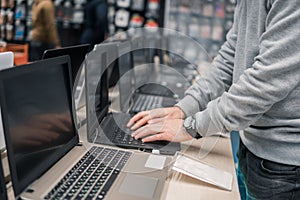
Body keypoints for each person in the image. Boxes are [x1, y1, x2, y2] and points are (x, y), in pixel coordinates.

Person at [127, 0, 300, 199]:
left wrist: (190, 127)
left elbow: (267, 82)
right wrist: (184, 109)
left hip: (284, 167)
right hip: (253, 146)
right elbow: (230, 59)